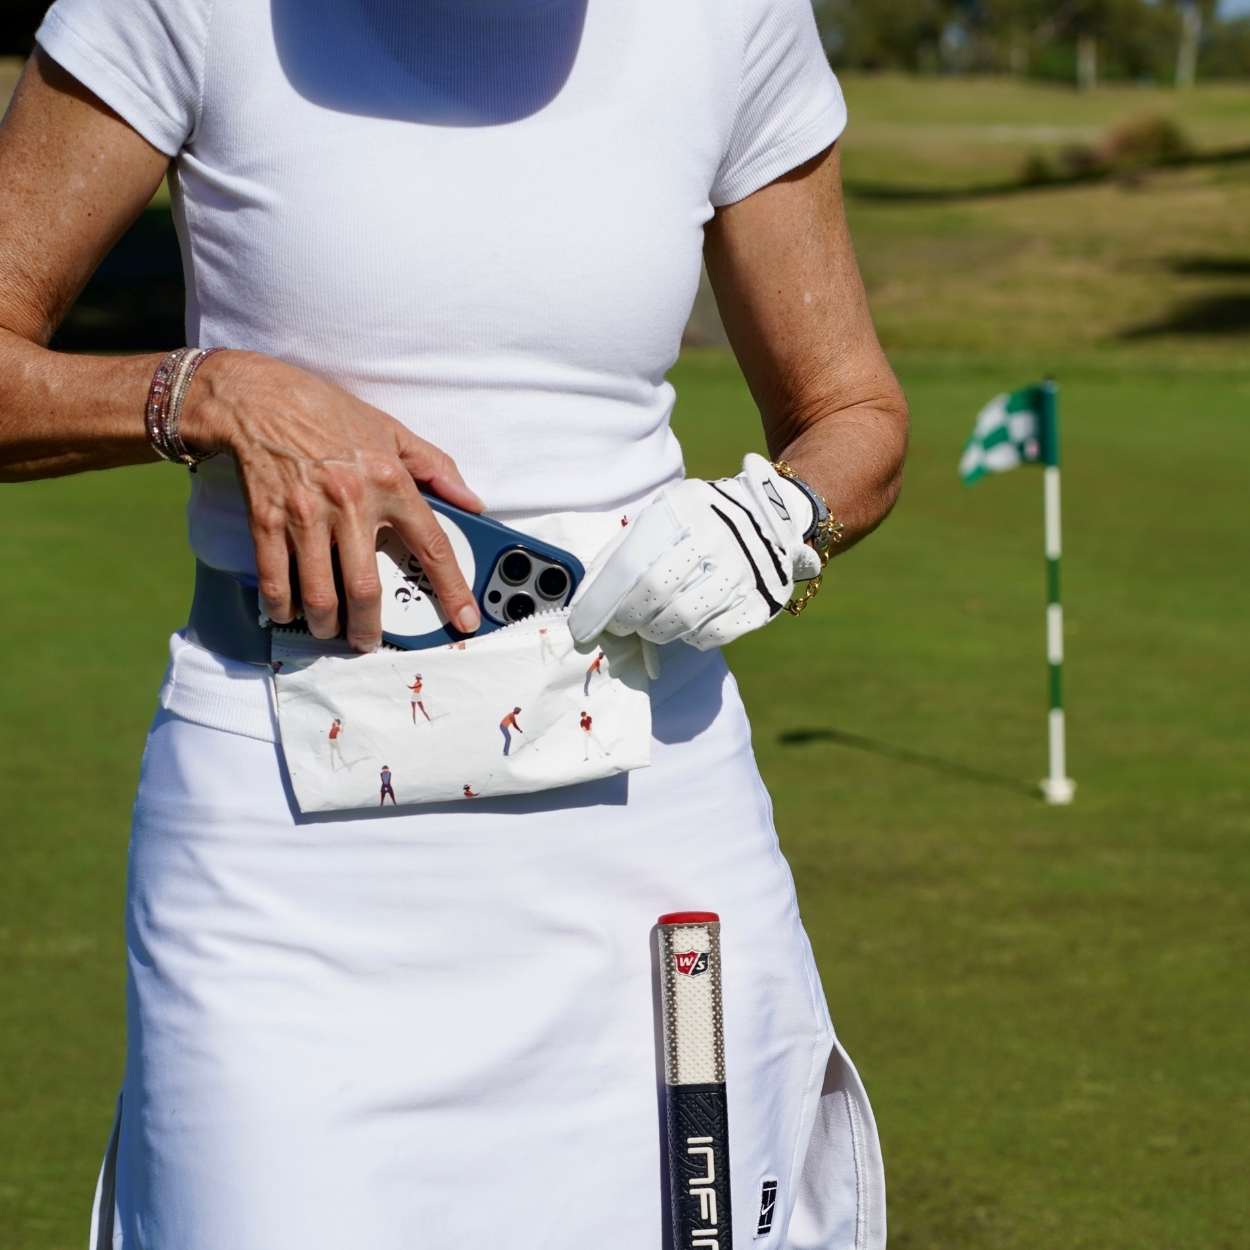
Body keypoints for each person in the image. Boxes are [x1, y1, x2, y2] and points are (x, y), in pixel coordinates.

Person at [0, 1, 907, 1246]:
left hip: (646, 835)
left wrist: (777, 519)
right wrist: (207, 391)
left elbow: (853, 412)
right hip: (282, 855)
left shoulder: (730, 16)